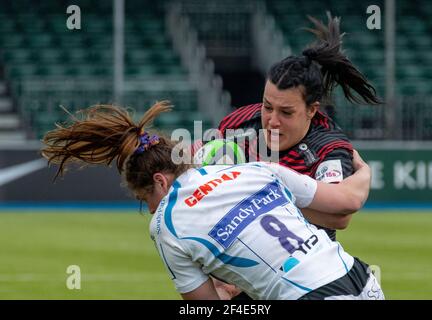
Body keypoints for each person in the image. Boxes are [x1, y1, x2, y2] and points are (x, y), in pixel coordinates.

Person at [41, 102, 384, 300]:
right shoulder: (257, 169)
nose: (148, 207)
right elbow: (343, 203)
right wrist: (364, 171)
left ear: (161, 180)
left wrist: (227, 291)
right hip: (362, 281)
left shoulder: (165, 223)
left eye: (146, 197)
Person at [206, 13, 382, 242]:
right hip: (242, 258)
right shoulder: (239, 122)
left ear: (312, 109)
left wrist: (254, 197)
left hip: (304, 264)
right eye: (267, 106)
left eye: (286, 112)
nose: (272, 120)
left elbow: (339, 217)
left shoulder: (329, 148)